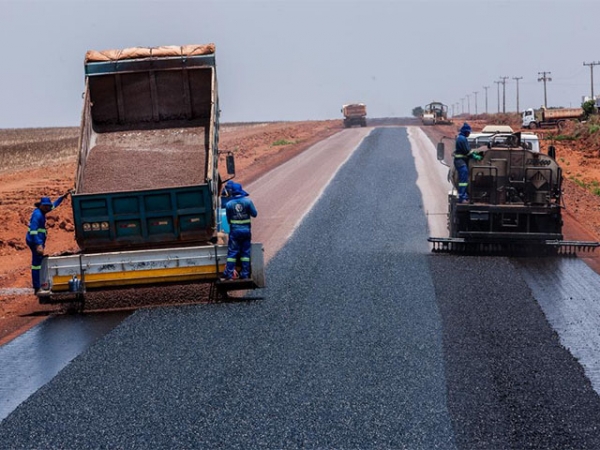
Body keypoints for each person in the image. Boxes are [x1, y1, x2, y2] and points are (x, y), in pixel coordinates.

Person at [26, 193, 70, 294]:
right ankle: (37, 287)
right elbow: (33, 231)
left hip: (38, 240)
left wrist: (62, 198)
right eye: (46, 206)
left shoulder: (43, 211)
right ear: (41, 205)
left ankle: (38, 284)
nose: (48, 208)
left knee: (39, 261)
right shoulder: (37, 215)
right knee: (36, 265)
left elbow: (54, 205)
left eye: (48, 206)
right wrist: (38, 245)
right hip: (34, 241)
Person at [221, 181, 258, 280]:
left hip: (235, 232)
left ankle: (229, 274)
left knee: (232, 253)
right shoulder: (248, 202)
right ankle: (245, 274)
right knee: (245, 253)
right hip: (246, 231)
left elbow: (228, 220)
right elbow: (255, 214)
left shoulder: (229, 204)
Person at [453, 122, 482, 203]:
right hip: (460, 162)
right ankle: (462, 197)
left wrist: (475, 153)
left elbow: (468, 150)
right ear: (466, 131)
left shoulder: (462, 138)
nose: (469, 133)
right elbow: (467, 152)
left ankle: (464, 195)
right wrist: (476, 156)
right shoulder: (461, 139)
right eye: (469, 132)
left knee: (465, 177)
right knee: (463, 178)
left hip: (461, 161)